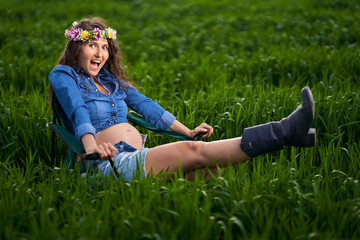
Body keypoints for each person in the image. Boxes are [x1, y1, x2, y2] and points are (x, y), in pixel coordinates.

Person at [49, 18, 316, 182]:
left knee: (209, 173)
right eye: (92, 45)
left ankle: (294, 134)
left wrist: (188, 131)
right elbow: (78, 110)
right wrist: (91, 147)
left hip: (134, 155)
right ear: (76, 47)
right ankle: (285, 131)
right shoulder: (65, 75)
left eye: (105, 47)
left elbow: (148, 107)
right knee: (191, 151)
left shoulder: (112, 83)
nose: (100, 52)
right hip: (104, 164)